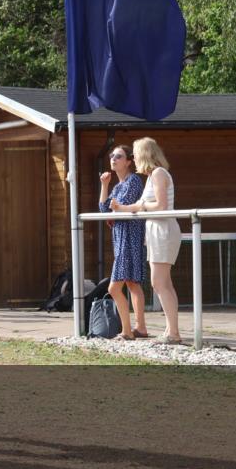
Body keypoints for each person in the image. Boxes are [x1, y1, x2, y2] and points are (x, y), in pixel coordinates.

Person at [111, 137, 181, 344]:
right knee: (164, 283)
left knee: (158, 283)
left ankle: (173, 333)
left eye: (135, 153)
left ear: (144, 154)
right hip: (155, 230)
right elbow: (141, 204)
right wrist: (121, 208)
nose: (134, 157)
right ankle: (171, 330)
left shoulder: (159, 174)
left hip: (163, 229)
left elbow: (160, 206)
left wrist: (141, 206)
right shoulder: (152, 176)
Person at [98, 145, 148, 339]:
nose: (113, 159)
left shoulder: (133, 180)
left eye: (118, 156)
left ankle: (127, 331)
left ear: (128, 161)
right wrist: (104, 185)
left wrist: (115, 207)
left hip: (130, 237)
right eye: (111, 155)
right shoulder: (118, 186)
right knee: (132, 283)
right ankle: (140, 328)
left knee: (115, 287)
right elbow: (104, 210)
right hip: (121, 237)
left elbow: (119, 208)